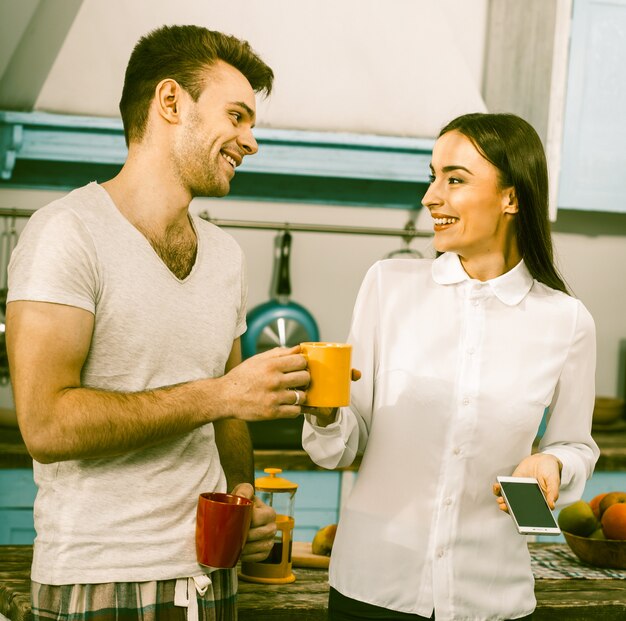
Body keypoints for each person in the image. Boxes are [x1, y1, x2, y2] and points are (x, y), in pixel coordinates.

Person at [6, 24, 311, 621]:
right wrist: (221, 393)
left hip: (208, 582)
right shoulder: (68, 233)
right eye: (238, 116)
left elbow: (228, 414)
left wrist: (242, 499)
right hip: (100, 580)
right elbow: (45, 423)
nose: (251, 141)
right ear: (171, 101)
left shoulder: (226, 256)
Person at [302, 112, 599, 621]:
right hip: (374, 589)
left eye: (455, 180)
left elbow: (576, 446)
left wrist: (553, 464)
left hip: (491, 596)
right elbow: (344, 446)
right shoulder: (387, 286)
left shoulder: (566, 321)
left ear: (512, 198)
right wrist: (325, 413)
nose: (431, 197)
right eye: (432, 176)